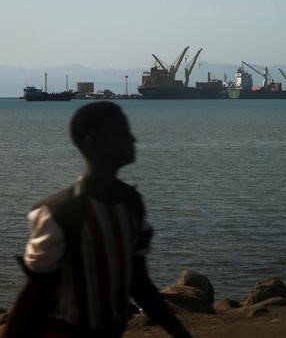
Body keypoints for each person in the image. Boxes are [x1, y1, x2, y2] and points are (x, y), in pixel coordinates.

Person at [3, 102, 191, 338]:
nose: (132, 139)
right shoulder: (61, 212)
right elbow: (34, 296)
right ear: (92, 144)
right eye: (121, 133)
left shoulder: (131, 203)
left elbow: (140, 285)